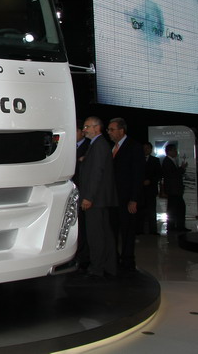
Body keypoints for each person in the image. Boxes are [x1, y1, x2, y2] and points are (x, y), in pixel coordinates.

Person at [78, 116, 118, 279]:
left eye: (87, 126)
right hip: (99, 199)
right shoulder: (98, 144)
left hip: (96, 200)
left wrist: (88, 197)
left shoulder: (99, 145)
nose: (84, 130)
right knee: (104, 234)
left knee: (96, 236)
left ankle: (97, 268)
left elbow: (96, 174)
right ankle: (109, 266)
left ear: (97, 128)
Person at [107, 117, 144, 272]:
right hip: (113, 199)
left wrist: (134, 199)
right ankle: (114, 259)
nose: (109, 132)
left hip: (127, 198)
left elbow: (138, 175)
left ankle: (128, 261)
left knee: (128, 231)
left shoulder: (134, 147)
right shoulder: (112, 148)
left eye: (112, 129)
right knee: (113, 230)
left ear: (121, 130)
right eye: (108, 129)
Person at [73, 121, 91, 271]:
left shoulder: (89, 147)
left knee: (84, 227)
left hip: (83, 191)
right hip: (72, 192)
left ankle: (84, 257)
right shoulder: (71, 147)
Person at [160, 144, 189, 232]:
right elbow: (172, 174)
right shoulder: (167, 161)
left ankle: (174, 226)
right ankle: (176, 226)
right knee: (178, 208)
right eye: (174, 150)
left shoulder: (171, 160)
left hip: (174, 189)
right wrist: (181, 168)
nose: (176, 152)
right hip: (173, 190)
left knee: (174, 208)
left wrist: (181, 169)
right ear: (169, 151)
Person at [139, 142, 161, 235]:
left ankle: (153, 230)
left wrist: (150, 181)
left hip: (151, 189)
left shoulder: (155, 160)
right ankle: (139, 230)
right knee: (140, 210)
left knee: (152, 210)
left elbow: (159, 174)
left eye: (147, 148)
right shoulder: (138, 159)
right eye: (144, 148)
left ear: (151, 149)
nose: (145, 150)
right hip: (140, 189)